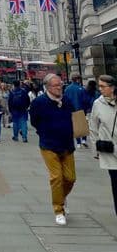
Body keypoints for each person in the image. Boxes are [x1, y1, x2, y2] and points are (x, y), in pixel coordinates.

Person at [30, 73, 75, 225]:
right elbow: (34, 120)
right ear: (48, 87)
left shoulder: (66, 100)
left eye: (60, 84)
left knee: (70, 178)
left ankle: (61, 197)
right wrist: (43, 132)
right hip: (49, 145)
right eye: (56, 85)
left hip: (67, 144)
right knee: (56, 177)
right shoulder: (39, 102)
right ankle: (58, 210)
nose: (59, 87)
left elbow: (74, 116)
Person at [89, 75, 117, 215]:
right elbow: (93, 128)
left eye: (103, 86)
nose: (100, 89)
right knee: (116, 184)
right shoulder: (97, 104)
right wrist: (95, 150)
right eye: (99, 86)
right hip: (110, 151)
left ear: (112, 87)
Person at [65, 73, 88, 148]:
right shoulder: (81, 89)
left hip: (71, 110)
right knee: (83, 124)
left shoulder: (67, 89)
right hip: (81, 109)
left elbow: (65, 100)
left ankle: (78, 142)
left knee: (75, 126)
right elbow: (85, 100)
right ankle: (84, 139)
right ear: (78, 79)